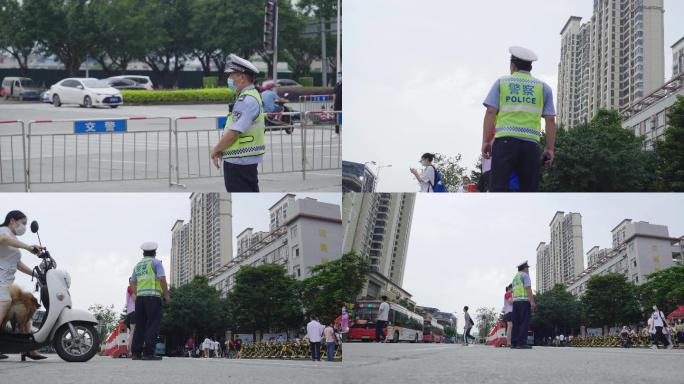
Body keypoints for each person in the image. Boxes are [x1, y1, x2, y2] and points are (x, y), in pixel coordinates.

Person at [481, 46, 557, 192]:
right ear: (530, 67)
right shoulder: (543, 88)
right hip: (531, 145)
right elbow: (550, 120)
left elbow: (490, 112)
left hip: (504, 143)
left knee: (498, 188)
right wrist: (549, 149)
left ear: (513, 65)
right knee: (529, 190)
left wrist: (485, 142)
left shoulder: (502, 83)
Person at [210, 54, 265, 192]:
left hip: (238, 163)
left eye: (232, 75)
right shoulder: (254, 95)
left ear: (241, 77)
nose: (230, 80)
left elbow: (232, 134)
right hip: (245, 161)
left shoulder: (245, 101)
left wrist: (216, 149)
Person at [0, 210, 46, 361]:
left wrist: (35, 274)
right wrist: (27, 247)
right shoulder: (3, 231)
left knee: (28, 305)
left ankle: (28, 349)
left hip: (6, 283)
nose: (24, 227)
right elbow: (2, 240)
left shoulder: (13, 238)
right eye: (23, 223)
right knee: (5, 303)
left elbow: (17, 263)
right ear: (12, 220)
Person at [130, 241, 170, 361]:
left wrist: (137, 293)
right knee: (153, 325)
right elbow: (162, 279)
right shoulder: (156, 262)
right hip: (153, 297)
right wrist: (166, 295)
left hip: (140, 299)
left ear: (143, 253)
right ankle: (148, 353)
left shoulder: (137, 265)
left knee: (140, 325)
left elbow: (132, 281)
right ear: (155, 252)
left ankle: (136, 353)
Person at [510, 261, 536, 349]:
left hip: (515, 302)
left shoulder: (515, 278)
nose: (528, 269)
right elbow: (528, 288)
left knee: (516, 323)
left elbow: (513, 291)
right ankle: (521, 343)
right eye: (527, 268)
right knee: (524, 322)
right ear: (525, 268)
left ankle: (514, 342)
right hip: (524, 301)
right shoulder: (525, 276)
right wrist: (532, 302)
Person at [124, 278, 137, 355]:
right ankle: (130, 352)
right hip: (133, 312)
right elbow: (135, 298)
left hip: (130, 313)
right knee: (133, 332)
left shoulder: (130, 288)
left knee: (132, 332)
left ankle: (130, 351)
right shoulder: (130, 288)